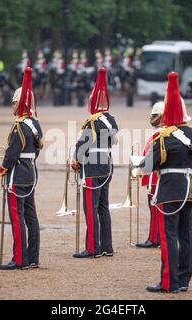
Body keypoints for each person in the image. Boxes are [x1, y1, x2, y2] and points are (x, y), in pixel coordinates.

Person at [136, 72, 192, 293]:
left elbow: (147, 166)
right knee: (186, 236)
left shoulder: (164, 137)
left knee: (169, 236)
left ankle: (169, 282)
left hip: (171, 190)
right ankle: (184, 280)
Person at [0, 67, 43, 270]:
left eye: (14, 102)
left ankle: (19, 259)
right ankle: (32, 258)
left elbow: (12, 153)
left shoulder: (19, 125)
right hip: (31, 173)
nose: (12, 106)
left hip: (17, 175)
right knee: (31, 218)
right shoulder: (35, 124)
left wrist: (3, 168)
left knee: (17, 217)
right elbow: (37, 149)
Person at [71, 67, 119, 258]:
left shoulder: (92, 121)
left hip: (92, 166)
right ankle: (107, 246)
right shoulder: (112, 120)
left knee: (90, 209)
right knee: (103, 207)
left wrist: (76, 159)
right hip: (106, 164)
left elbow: (82, 144)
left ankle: (92, 248)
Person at [135, 101, 164, 248]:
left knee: (154, 208)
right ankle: (156, 237)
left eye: (155, 116)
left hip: (154, 176)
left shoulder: (159, 134)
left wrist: (139, 167)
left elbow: (151, 157)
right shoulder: (159, 133)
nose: (152, 118)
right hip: (154, 175)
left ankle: (154, 238)